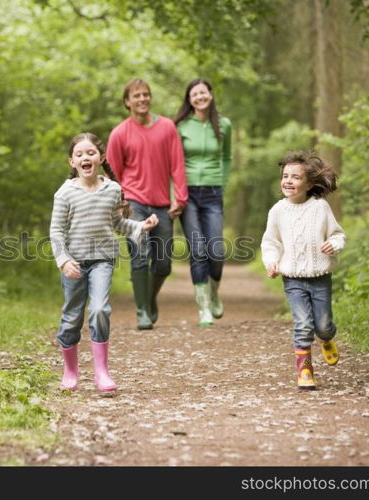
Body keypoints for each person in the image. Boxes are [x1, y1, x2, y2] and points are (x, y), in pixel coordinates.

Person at [50, 132, 159, 392]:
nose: (85, 157)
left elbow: (117, 223)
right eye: (79, 154)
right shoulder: (64, 193)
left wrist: (141, 226)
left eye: (90, 153)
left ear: (99, 158)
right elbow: (56, 231)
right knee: (71, 317)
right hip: (73, 263)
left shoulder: (112, 189)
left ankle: (101, 372)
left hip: (103, 260)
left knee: (99, 310)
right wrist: (63, 260)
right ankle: (71, 371)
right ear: (72, 162)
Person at [107, 78, 188, 330]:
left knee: (163, 262)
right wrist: (118, 205)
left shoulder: (167, 127)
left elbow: (177, 164)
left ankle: (149, 299)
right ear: (127, 102)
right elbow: (112, 175)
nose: (142, 99)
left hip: (162, 204)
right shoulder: (120, 133)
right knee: (140, 256)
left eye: (145, 94)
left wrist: (180, 197)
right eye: (136, 95)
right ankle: (142, 311)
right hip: (133, 204)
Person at [261, 150, 345, 390]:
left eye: (296, 177)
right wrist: (271, 261)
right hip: (293, 279)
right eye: (285, 176)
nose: (288, 181)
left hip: (320, 278)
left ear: (309, 184)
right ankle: (305, 369)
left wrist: (334, 244)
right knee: (303, 324)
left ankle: (327, 338)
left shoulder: (320, 208)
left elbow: (338, 234)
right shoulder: (278, 210)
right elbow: (271, 242)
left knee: (323, 325)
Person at [174, 78, 232, 326]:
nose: (199, 97)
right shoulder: (181, 127)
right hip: (187, 194)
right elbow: (173, 163)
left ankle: (214, 292)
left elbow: (227, 158)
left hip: (213, 192)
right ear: (189, 99)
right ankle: (204, 308)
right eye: (194, 94)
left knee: (216, 251)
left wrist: (222, 183)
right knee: (198, 251)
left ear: (211, 95)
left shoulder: (225, 125)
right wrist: (174, 195)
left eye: (203, 92)